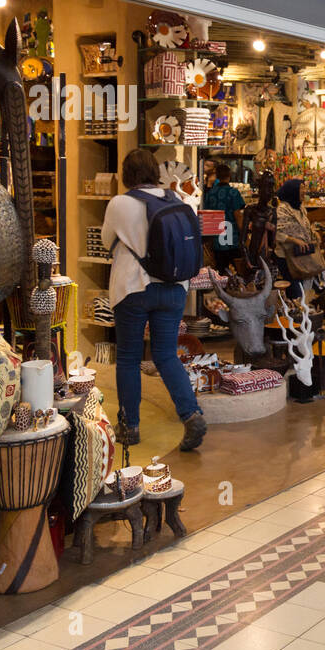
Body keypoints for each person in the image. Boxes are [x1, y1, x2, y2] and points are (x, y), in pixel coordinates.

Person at [101, 148, 207, 453]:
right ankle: (191, 414)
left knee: (130, 358)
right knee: (166, 355)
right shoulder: (176, 199)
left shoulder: (120, 203)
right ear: (155, 171)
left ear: (126, 174)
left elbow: (108, 241)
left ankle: (130, 426)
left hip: (132, 288)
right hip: (174, 288)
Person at [272, 178, 317, 299]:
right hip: (286, 256)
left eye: (304, 188)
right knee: (295, 290)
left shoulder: (300, 208)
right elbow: (277, 233)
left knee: (301, 288)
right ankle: (294, 314)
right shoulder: (282, 210)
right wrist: (295, 240)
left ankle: (298, 312)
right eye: (301, 188)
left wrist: (313, 233)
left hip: (300, 255)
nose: (304, 191)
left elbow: (304, 226)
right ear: (292, 191)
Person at [203, 162, 245, 273]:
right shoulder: (233, 193)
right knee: (237, 271)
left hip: (217, 238)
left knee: (221, 272)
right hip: (232, 237)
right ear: (229, 175)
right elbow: (238, 215)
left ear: (217, 176)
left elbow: (207, 216)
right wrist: (244, 234)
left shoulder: (210, 193)